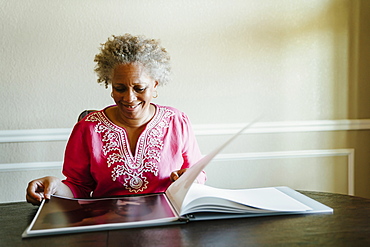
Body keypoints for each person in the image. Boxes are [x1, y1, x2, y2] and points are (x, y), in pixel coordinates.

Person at [26, 34, 206, 205]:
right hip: (108, 224)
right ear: (110, 85)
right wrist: (55, 187)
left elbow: (198, 174)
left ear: (155, 85)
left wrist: (190, 179)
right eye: (120, 88)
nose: (129, 98)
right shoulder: (88, 128)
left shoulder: (177, 122)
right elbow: (78, 188)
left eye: (139, 88)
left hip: (167, 220)